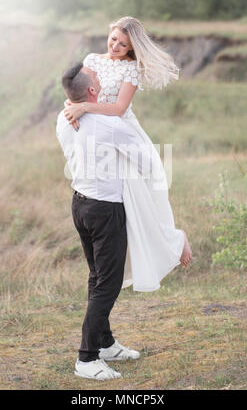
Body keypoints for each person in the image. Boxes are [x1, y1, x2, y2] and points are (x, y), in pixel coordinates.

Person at [63, 17, 192, 293]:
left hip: (120, 134)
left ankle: (175, 240)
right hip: (97, 134)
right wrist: (70, 106)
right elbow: (79, 90)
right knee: (111, 202)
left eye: (123, 44)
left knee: (137, 204)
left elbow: (119, 109)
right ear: (108, 32)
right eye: (114, 39)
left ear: (132, 48)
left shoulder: (131, 69)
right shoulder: (92, 59)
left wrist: (85, 108)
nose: (116, 46)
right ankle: (107, 271)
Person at [56, 62, 157, 380]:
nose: (105, 79)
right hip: (105, 209)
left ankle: (105, 343)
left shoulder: (64, 117)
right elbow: (147, 160)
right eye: (99, 77)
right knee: (107, 285)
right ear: (91, 91)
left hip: (79, 205)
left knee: (97, 277)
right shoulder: (109, 124)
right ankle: (86, 359)